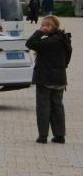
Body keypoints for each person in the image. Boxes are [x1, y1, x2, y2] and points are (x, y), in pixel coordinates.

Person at [27, 15, 71, 144]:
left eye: (44, 25)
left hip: (45, 79)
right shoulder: (65, 39)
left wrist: (40, 32)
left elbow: (29, 43)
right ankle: (59, 136)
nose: (42, 27)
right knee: (58, 107)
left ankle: (43, 136)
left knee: (43, 107)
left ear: (50, 27)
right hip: (60, 79)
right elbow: (67, 59)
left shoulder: (48, 42)